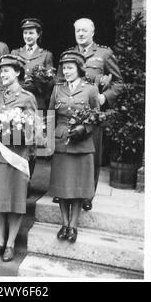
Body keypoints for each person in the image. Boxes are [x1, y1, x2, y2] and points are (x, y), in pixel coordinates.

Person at [56, 18, 124, 211]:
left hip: (91, 114)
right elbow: (59, 82)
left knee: (90, 155)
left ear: (93, 32)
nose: (81, 34)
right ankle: (65, 190)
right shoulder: (68, 54)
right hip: (70, 111)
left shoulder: (104, 53)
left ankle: (87, 194)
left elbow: (118, 82)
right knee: (67, 153)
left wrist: (105, 97)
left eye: (85, 31)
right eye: (78, 31)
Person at [0, 55, 37, 262]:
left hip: (17, 156)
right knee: (0, 200)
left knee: (15, 200)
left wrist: (19, 135)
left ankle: (11, 244)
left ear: (18, 73)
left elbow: (34, 130)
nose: (2, 74)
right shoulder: (0, 96)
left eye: (7, 71)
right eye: (1, 71)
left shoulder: (27, 97)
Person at [48, 50, 99, 243]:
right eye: (64, 68)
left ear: (79, 69)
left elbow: (96, 118)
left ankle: (73, 226)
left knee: (77, 188)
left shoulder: (90, 90)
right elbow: (51, 117)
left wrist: (84, 128)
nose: (67, 71)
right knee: (62, 187)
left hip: (82, 145)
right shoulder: (57, 89)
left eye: (70, 68)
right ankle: (64, 223)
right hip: (61, 143)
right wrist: (48, 142)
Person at [11, 18, 54, 178]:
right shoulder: (16, 53)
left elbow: (51, 81)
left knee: (31, 143)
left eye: (31, 33)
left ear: (38, 35)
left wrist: (39, 82)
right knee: (15, 138)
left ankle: (28, 181)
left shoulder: (46, 55)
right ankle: (15, 179)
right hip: (17, 102)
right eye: (25, 33)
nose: (28, 36)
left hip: (36, 103)